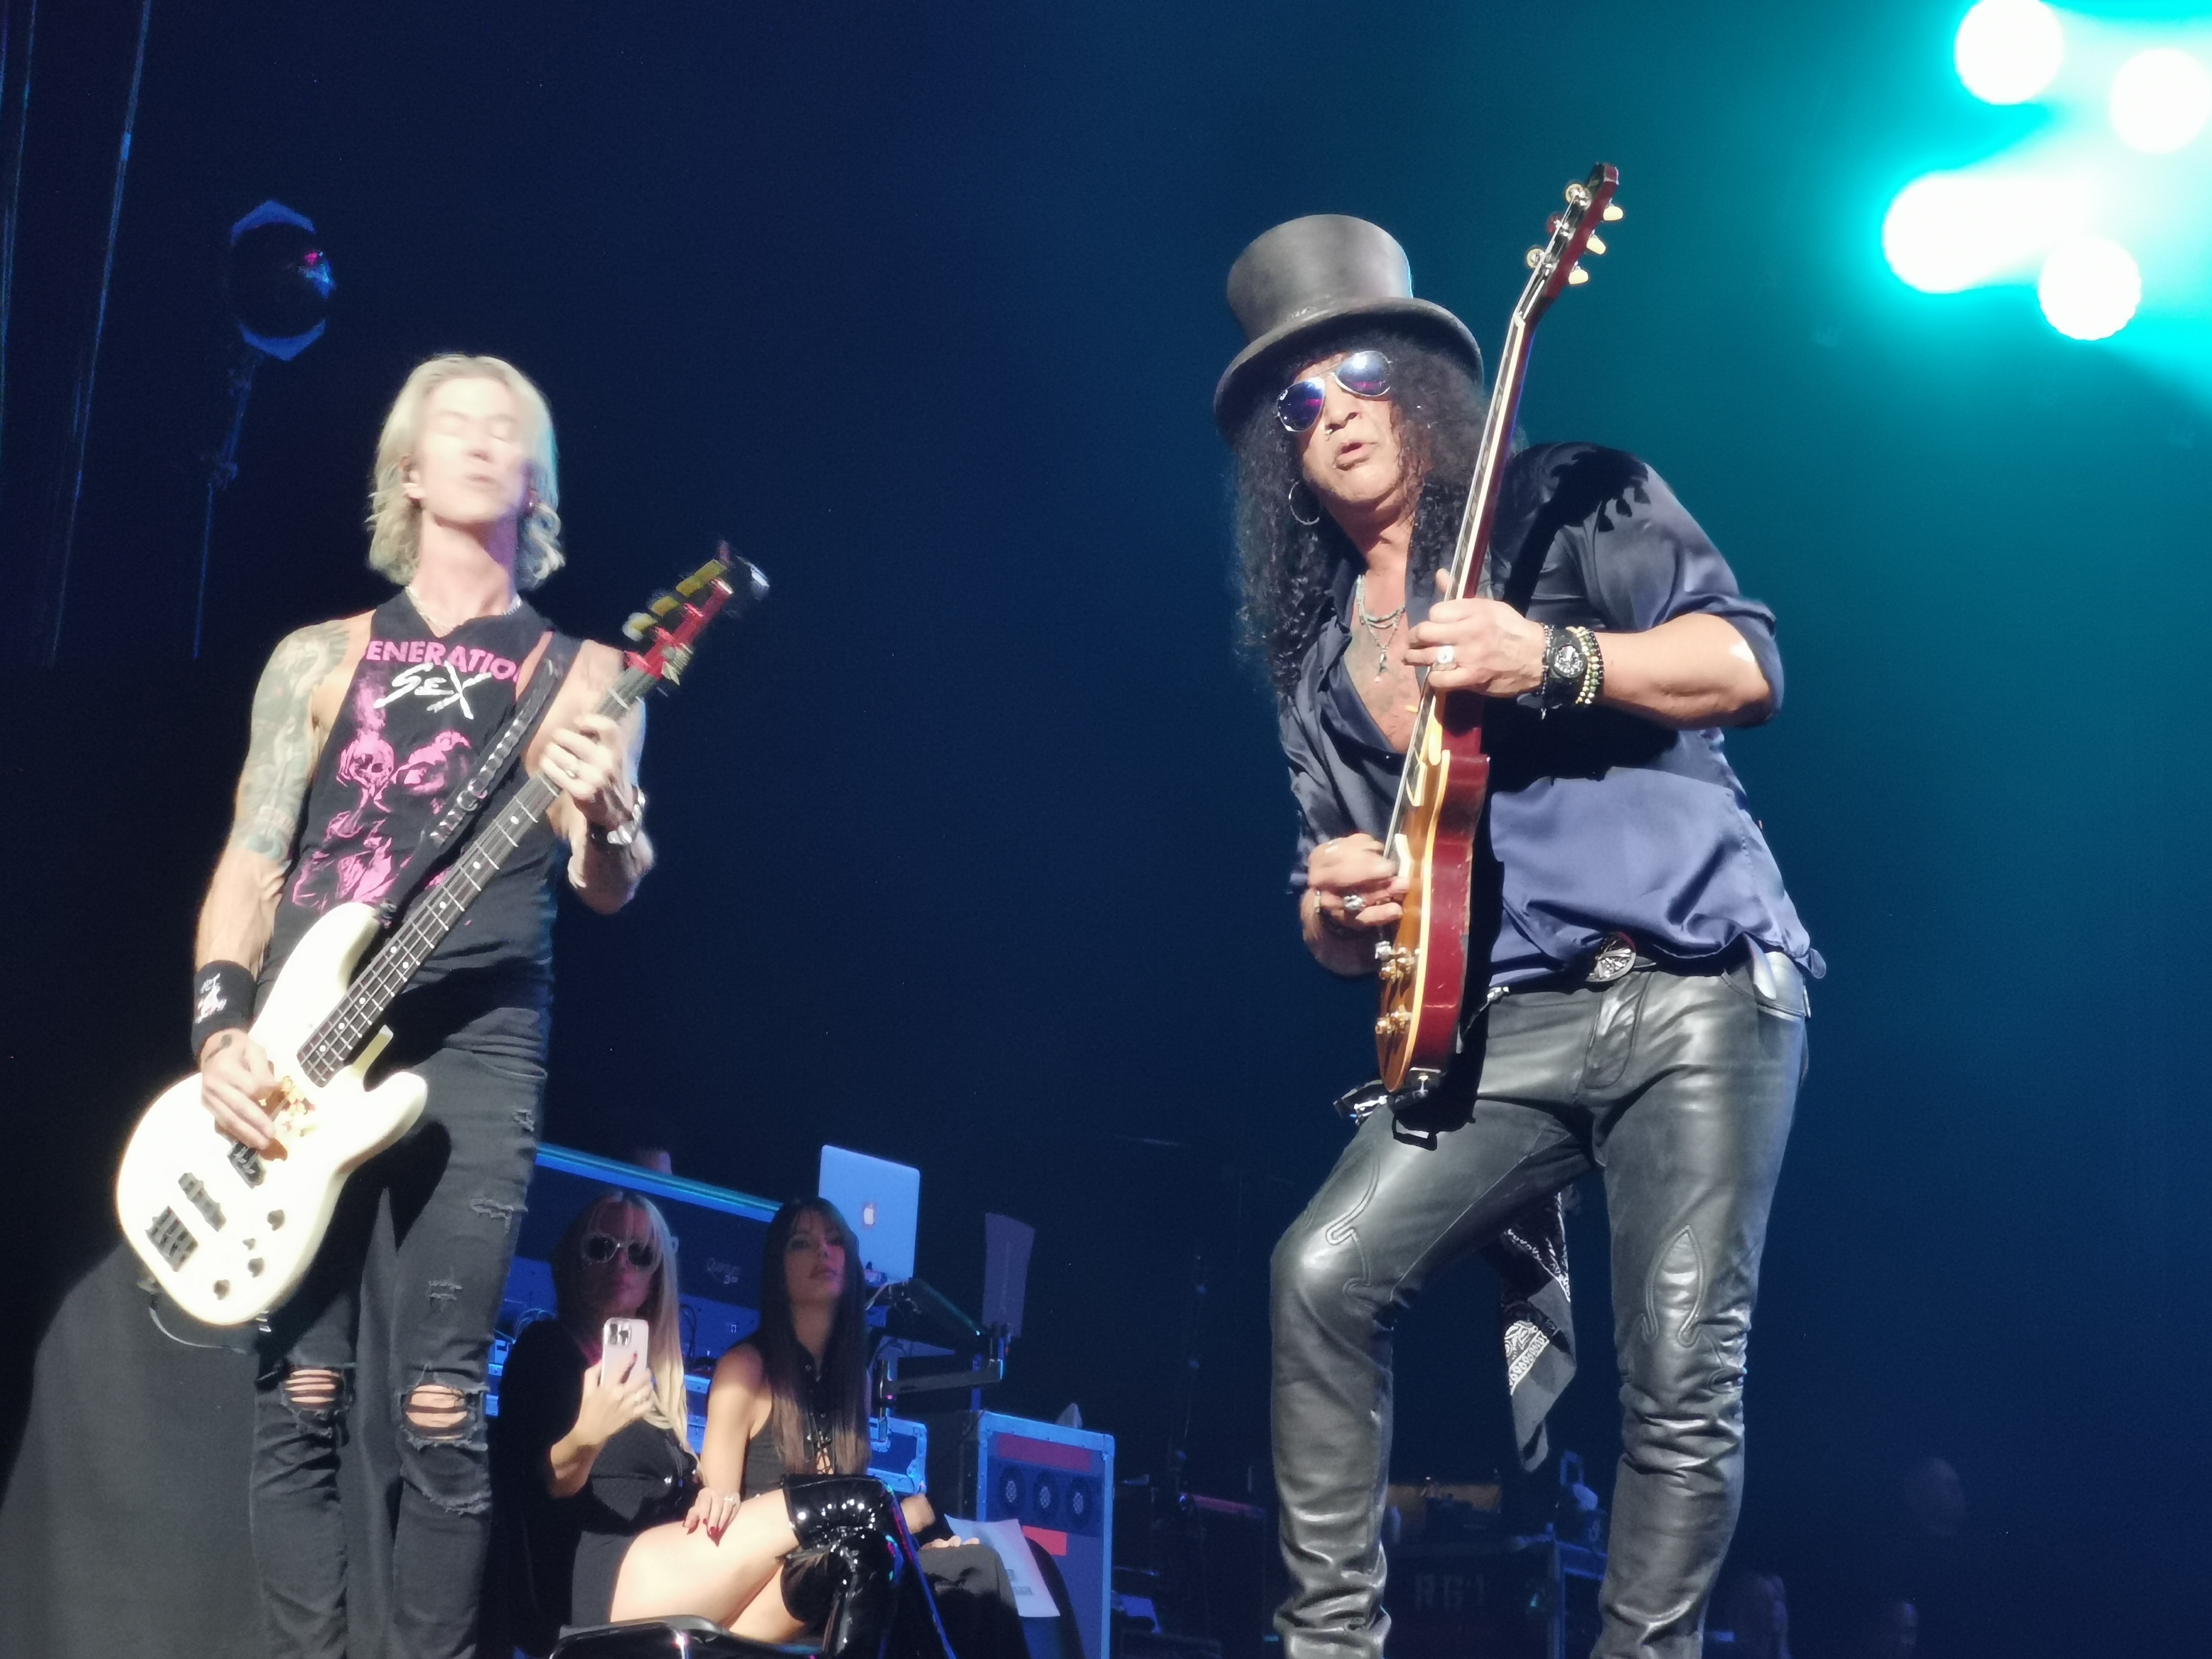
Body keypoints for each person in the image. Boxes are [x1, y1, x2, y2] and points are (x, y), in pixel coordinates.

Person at [1213, 217, 1819, 1659]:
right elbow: (1345, 926)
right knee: (1320, 1273)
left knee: (1680, 1368)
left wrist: (1551, 655)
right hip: (1506, 1028)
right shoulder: (1315, 660)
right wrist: (1334, 902)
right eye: (1301, 399)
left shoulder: (1566, 498)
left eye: (1363, 372)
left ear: (1424, 381)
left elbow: (1745, 665)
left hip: (1699, 981)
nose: (1337, 411)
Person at [189, 354, 657, 1659]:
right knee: (301, 1390)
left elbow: (606, 881)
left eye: (507, 428)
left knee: (441, 1406)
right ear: (406, 468)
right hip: (302, 1040)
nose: (480, 439)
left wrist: (614, 819)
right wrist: (220, 1029)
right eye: (453, 423)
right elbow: (253, 859)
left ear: (537, 483)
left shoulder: (588, 673)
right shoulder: (319, 657)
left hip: (479, 1044)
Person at [493, 1191, 960, 1657]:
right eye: (601, 1247)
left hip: (680, 1568)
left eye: (640, 1254)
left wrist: (705, 1493)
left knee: (862, 1553)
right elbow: (544, 1479)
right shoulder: (549, 1348)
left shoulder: (648, 1378)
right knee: (861, 1500)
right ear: (573, 1258)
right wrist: (587, 1436)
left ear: (657, 1274)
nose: (621, 1264)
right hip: (603, 1578)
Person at [699, 1199, 1017, 1657]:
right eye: (802, 1243)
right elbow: (718, 1530)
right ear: (777, 1268)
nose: (822, 1252)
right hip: (766, 1587)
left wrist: (917, 1550)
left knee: (974, 1572)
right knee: (946, 1568)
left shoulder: (855, 1381)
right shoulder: (746, 1369)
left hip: (846, 1569)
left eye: (835, 1242)